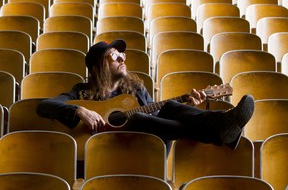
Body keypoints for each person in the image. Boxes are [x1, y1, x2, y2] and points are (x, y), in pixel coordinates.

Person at [36, 39, 255, 152]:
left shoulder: (136, 90)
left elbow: (161, 121)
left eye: (122, 54)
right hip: (100, 151)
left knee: (168, 107)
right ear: (97, 67)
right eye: (114, 55)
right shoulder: (80, 92)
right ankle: (219, 132)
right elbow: (45, 106)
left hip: (144, 149)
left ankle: (220, 124)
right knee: (139, 117)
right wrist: (79, 110)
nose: (122, 58)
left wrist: (192, 105)